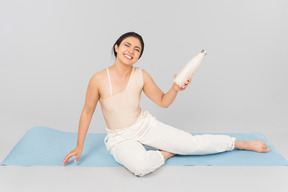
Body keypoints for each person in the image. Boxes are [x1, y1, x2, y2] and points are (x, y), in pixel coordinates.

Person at [63, 32, 270, 176]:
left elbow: (163, 102)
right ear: (116, 47)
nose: (131, 51)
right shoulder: (98, 79)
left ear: (138, 56)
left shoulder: (141, 75)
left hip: (144, 126)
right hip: (119, 138)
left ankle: (236, 143)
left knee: (192, 144)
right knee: (140, 168)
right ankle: (167, 152)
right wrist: (79, 146)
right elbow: (87, 112)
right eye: (127, 45)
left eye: (137, 49)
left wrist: (175, 88)